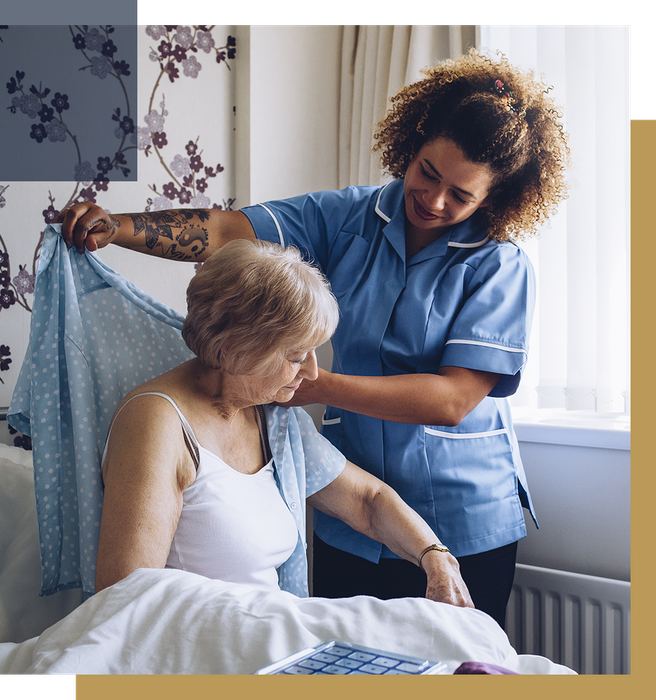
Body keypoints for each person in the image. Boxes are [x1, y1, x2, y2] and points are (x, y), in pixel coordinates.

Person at [58, 49, 570, 627]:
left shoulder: (500, 266)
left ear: (494, 199)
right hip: (350, 512)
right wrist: (117, 228)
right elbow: (227, 231)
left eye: (461, 194)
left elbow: (452, 401)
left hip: (462, 514)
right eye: (428, 173)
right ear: (413, 143)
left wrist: (306, 381)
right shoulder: (348, 217)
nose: (434, 200)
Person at [94, 238, 472, 610]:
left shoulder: (272, 417)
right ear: (233, 349)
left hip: (265, 636)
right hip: (199, 651)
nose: (311, 371)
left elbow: (367, 500)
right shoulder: (157, 423)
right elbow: (125, 600)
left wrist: (436, 557)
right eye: (295, 356)